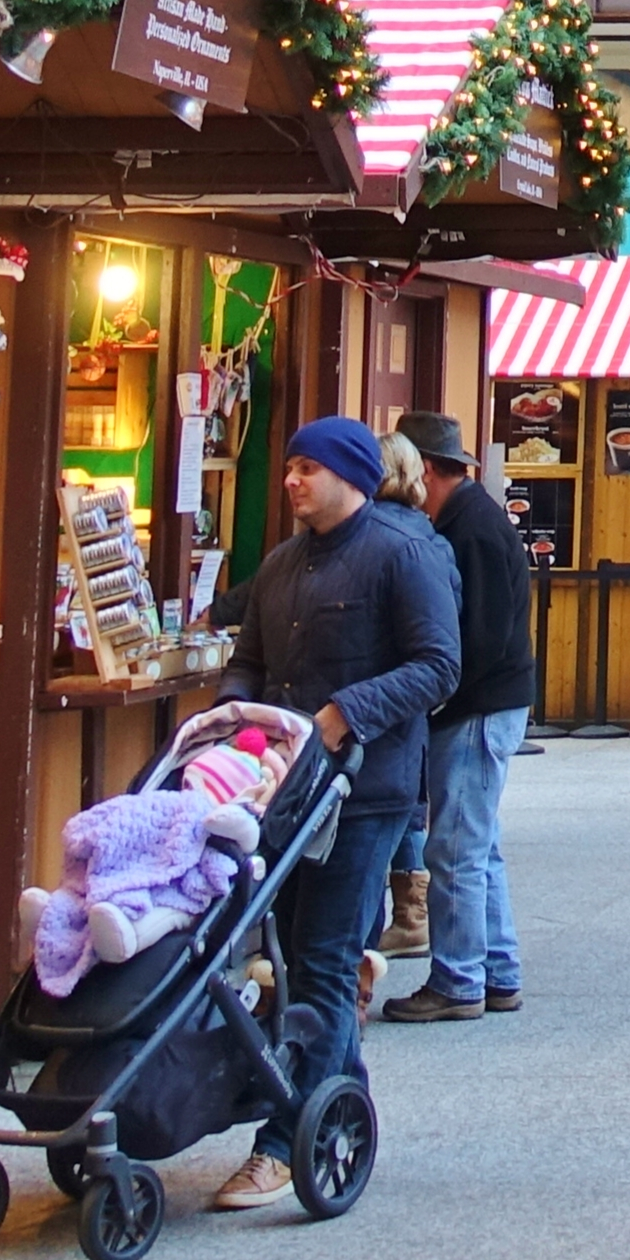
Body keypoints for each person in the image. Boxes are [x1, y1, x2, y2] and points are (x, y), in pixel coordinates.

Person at [219, 415, 459, 1210]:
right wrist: (237, 724)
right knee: (288, 954)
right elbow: (249, 660)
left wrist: (344, 712)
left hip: (366, 791)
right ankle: (336, 1110)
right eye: (287, 467)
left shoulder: (403, 551)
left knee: (321, 958)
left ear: (351, 476)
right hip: (280, 790)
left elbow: (437, 667)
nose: (292, 481)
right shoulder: (283, 564)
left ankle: (281, 1143)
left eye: (307, 469)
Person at [388, 413, 532, 1026]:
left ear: (423, 469)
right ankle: (496, 973)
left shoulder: (469, 528)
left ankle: (458, 979)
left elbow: (483, 636)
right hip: (490, 702)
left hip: (478, 706)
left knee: (454, 850)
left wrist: (439, 695)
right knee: (478, 846)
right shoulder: (470, 518)